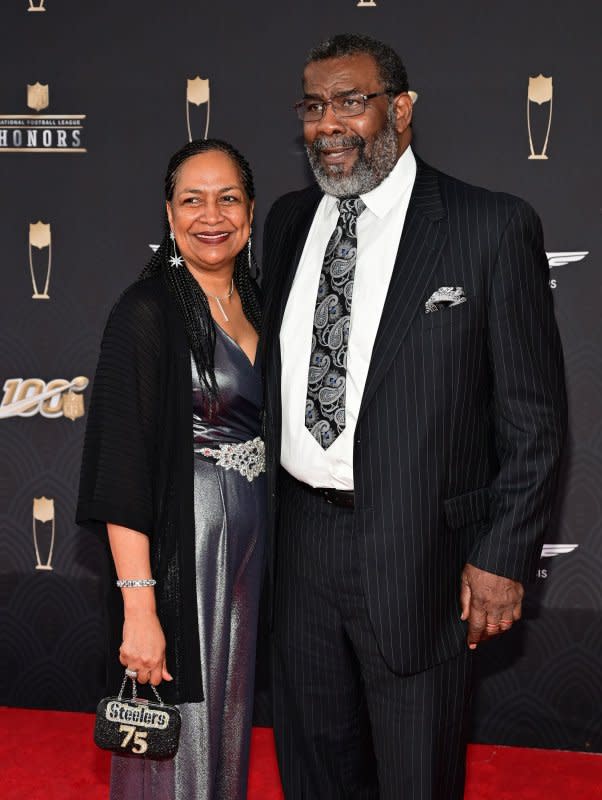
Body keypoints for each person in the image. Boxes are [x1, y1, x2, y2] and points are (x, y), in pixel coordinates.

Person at [261, 34, 567, 799]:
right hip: (298, 544)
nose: (328, 123)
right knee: (313, 768)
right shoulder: (291, 221)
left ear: (400, 109)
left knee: (415, 777)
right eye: (314, 105)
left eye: (351, 101)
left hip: (422, 554)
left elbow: (534, 419)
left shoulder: (489, 226)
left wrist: (503, 555)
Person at [77, 138, 265, 800]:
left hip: (250, 553)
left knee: (229, 723)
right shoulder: (146, 311)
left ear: (250, 211)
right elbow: (120, 470)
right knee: (175, 731)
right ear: (168, 212)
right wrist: (140, 609)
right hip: (187, 552)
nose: (210, 216)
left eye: (227, 199)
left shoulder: (260, 304)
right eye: (192, 200)